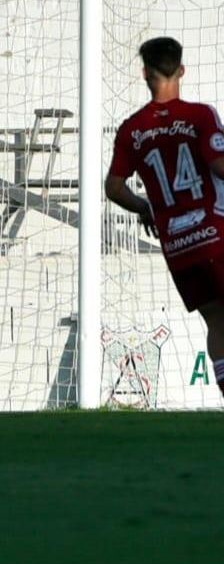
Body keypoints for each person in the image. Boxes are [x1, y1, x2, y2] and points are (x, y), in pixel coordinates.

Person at [105, 36, 224, 400]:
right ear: (182, 70)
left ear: (145, 73)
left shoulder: (132, 129)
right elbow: (219, 165)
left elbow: (113, 186)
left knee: (216, 321)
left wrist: (144, 207)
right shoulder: (200, 116)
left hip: (177, 244)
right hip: (216, 234)